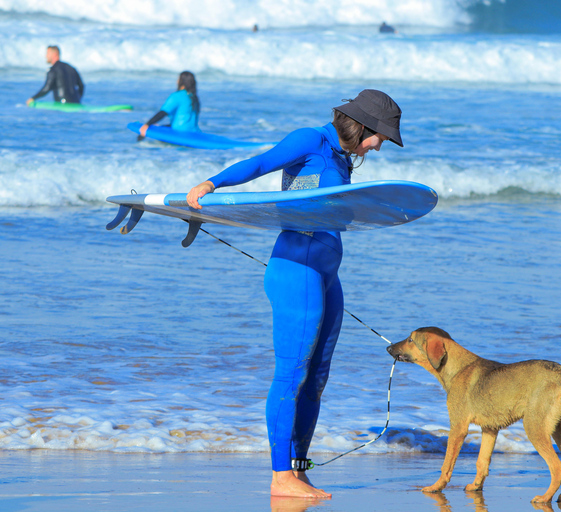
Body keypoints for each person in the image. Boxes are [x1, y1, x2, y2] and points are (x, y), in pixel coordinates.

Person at [186, 90, 403, 498]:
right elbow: (260, 163)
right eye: (381, 137)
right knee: (292, 372)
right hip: (296, 269)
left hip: (326, 274)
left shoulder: (341, 157)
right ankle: (280, 476)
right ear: (362, 126)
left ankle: (298, 472)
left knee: (316, 377)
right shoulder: (311, 139)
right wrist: (212, 183)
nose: (379, 146)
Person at [139, 71, 201, 138]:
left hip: (179, 133)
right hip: (195, 133)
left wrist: (147, 124)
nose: (177, 81)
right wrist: (162, 127)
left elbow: (163, 112)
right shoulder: (194, 98)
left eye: (178, 79)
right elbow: (186, 123)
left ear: (181, 81)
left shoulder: (177, 96)